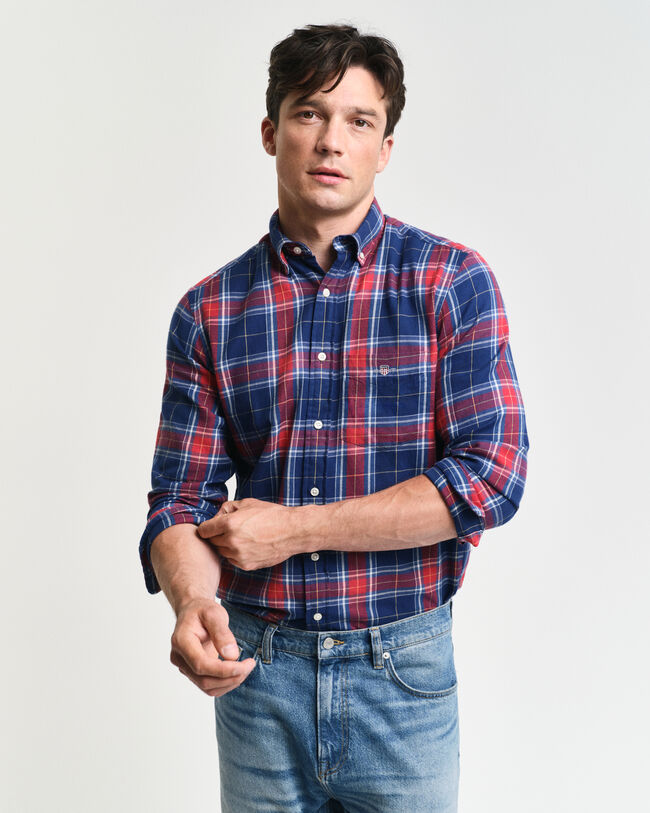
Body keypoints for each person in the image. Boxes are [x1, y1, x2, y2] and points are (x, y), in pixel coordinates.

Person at [139, 23, 528, 813]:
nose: (331, 140)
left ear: (385, 148)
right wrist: (192, 603)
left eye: (359, 120)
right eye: (310, 113)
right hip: (257, 675)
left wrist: (295, 529)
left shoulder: (450, 282)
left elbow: (491, 478)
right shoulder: (210, 311)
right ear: (270, 131)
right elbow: (179, 501)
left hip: (402, 674)